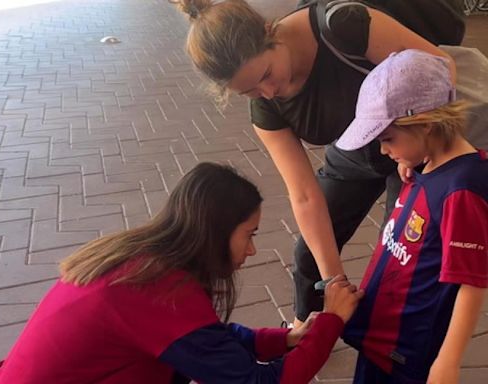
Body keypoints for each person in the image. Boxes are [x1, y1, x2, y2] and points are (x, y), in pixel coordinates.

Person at [171, 0, 457, 327]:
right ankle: (304, 330)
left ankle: (400, 343)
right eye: (249, 91)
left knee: (400, 253)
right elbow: (304, 195)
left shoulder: (343, 25)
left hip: (412, 142)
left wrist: (427, 150)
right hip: (353, 150)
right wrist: (334, 282)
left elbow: (441, 67)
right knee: (309, 257)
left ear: (270, 33)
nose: (268, 91)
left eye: (266, 74)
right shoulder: (267, 109)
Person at [0, 162, 363, 384]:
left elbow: (202, 339)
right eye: (249, 235)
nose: (252, 250)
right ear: (214, 230)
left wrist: (288, 339)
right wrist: (330, 323)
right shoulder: (164, 290)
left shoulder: (145, 257)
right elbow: (258, 383)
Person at [335, 49, 488, 384]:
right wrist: (413, 161)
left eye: (388, 139)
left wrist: (449, 361)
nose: (383, 150)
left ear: (427, 124)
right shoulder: (429, 163)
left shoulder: (461, 189)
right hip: (383, 339)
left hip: (407, 353)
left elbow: (471, 282)